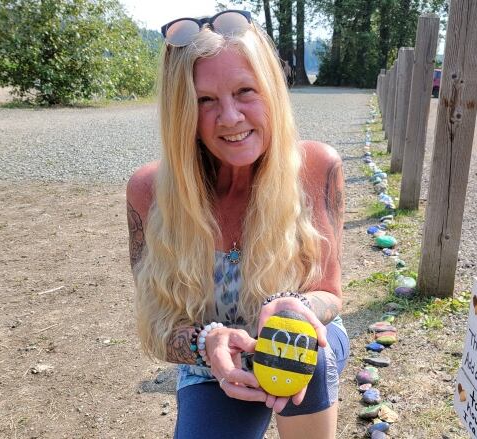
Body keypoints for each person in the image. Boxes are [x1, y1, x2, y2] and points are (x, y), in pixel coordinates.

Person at [125, 9, 349, 439]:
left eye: (245, 91)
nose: (229, 117)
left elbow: (330, 294)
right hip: (211, 364)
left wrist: (299, 307)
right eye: (205, 100)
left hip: (306, 346)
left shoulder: (317, 166)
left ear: (271, 91)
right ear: (182, 113)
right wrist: (206, 345)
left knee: (307, 348)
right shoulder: (148, 191)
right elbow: (157, 327)